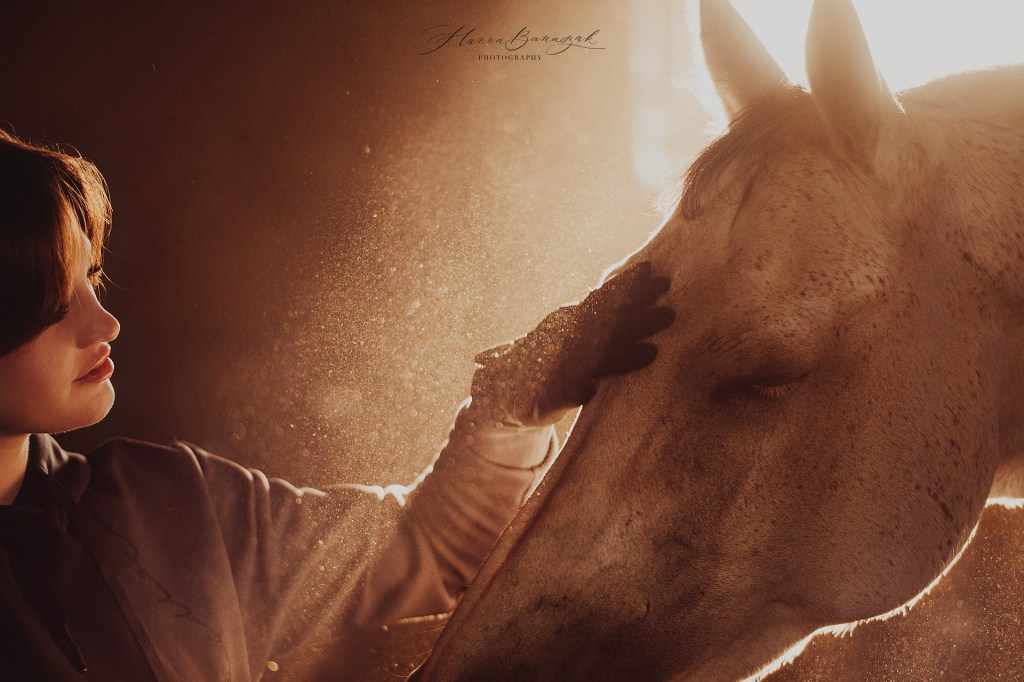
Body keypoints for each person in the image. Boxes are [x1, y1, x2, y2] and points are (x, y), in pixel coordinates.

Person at [0, 129, 674, 681]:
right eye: (55, 304)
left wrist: (508, 411)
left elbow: (417, 558)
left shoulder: (166, 501)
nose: (104, 324)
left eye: (93, 278)